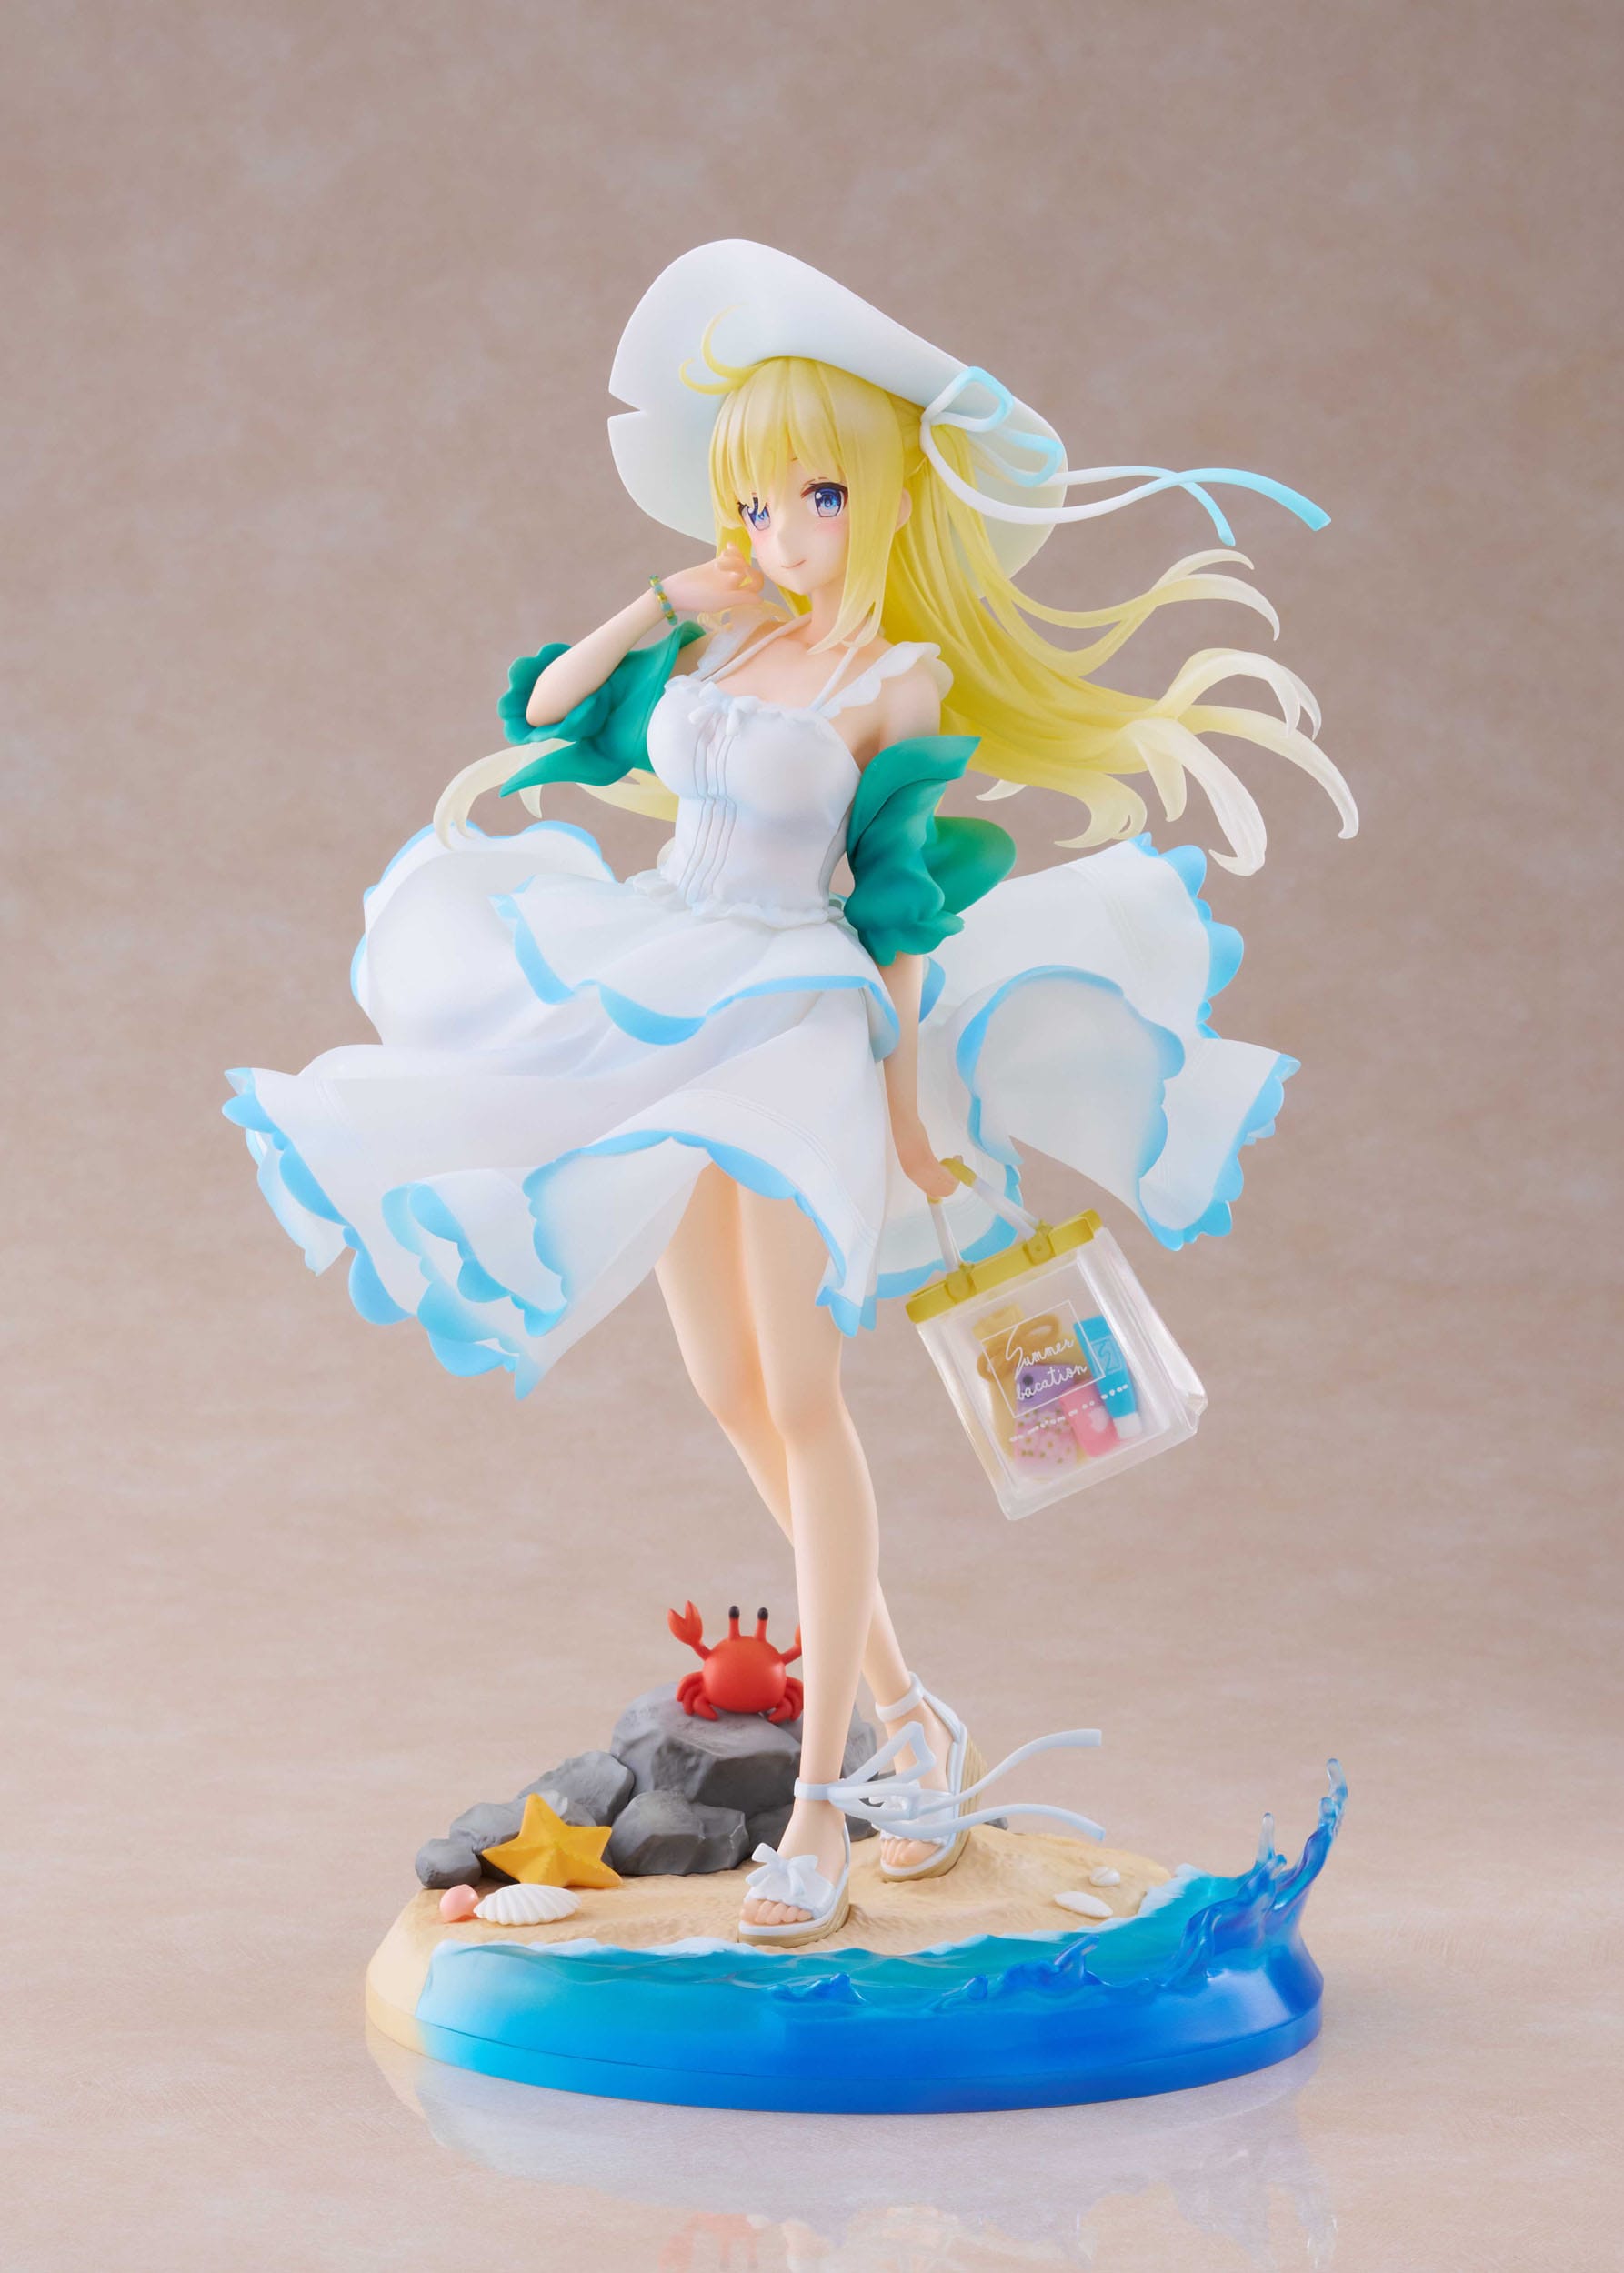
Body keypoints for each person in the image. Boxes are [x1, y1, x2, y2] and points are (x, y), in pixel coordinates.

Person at [225, 241, 1356, 1948]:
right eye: (754, 503)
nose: (780, 532)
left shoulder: (894, 680)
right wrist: (667, 601)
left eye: (815, 497)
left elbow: (896, 908)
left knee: (803, 1400)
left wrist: (902, 1118)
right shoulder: (729, 634)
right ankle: (916, 1718)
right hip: (673, 988)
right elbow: (549, 708)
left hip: (792, 1024)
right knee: (727, 1388)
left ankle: (826, 1800)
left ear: (880, 500)